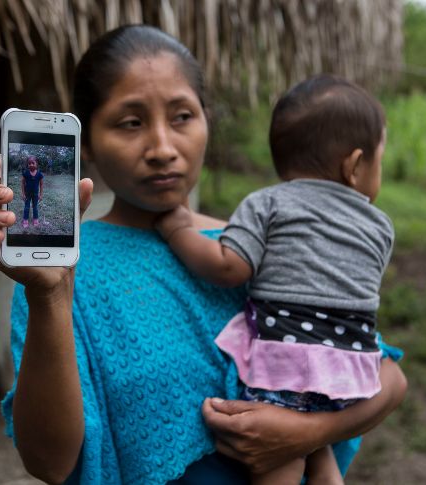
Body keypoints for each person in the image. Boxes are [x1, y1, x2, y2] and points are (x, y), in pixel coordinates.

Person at [0, 25, 407, 485]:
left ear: (206, 122)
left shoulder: (257, 245)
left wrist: (307, 433)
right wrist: (51, 297)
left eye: (182, 116)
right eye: (131, 122)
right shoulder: (65, 274)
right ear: (89, 144)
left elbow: (389, 377)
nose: (163, 149)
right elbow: (48, 462)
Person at [154, 74, 395, 484]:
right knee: (317, 447)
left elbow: (230, 268)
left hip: (289, 365)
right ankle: (323, 467)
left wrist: (178, 229)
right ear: (355, 166)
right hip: (353, 372)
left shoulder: (268, 202)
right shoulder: (381, 226)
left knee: (280, 462)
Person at [21, 155, 44, 228]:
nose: (31, 165)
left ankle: (35, 219)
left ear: (36, 164)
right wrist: (23, 194)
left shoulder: (39, 174)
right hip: (27, 194)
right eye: (29, 163)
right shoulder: (26, 173)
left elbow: (41, 185)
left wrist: (40, 195)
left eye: (33, 163)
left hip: (35, 194)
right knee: (26, 207)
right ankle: (25, 220)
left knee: (35, 207)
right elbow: (22, 183)